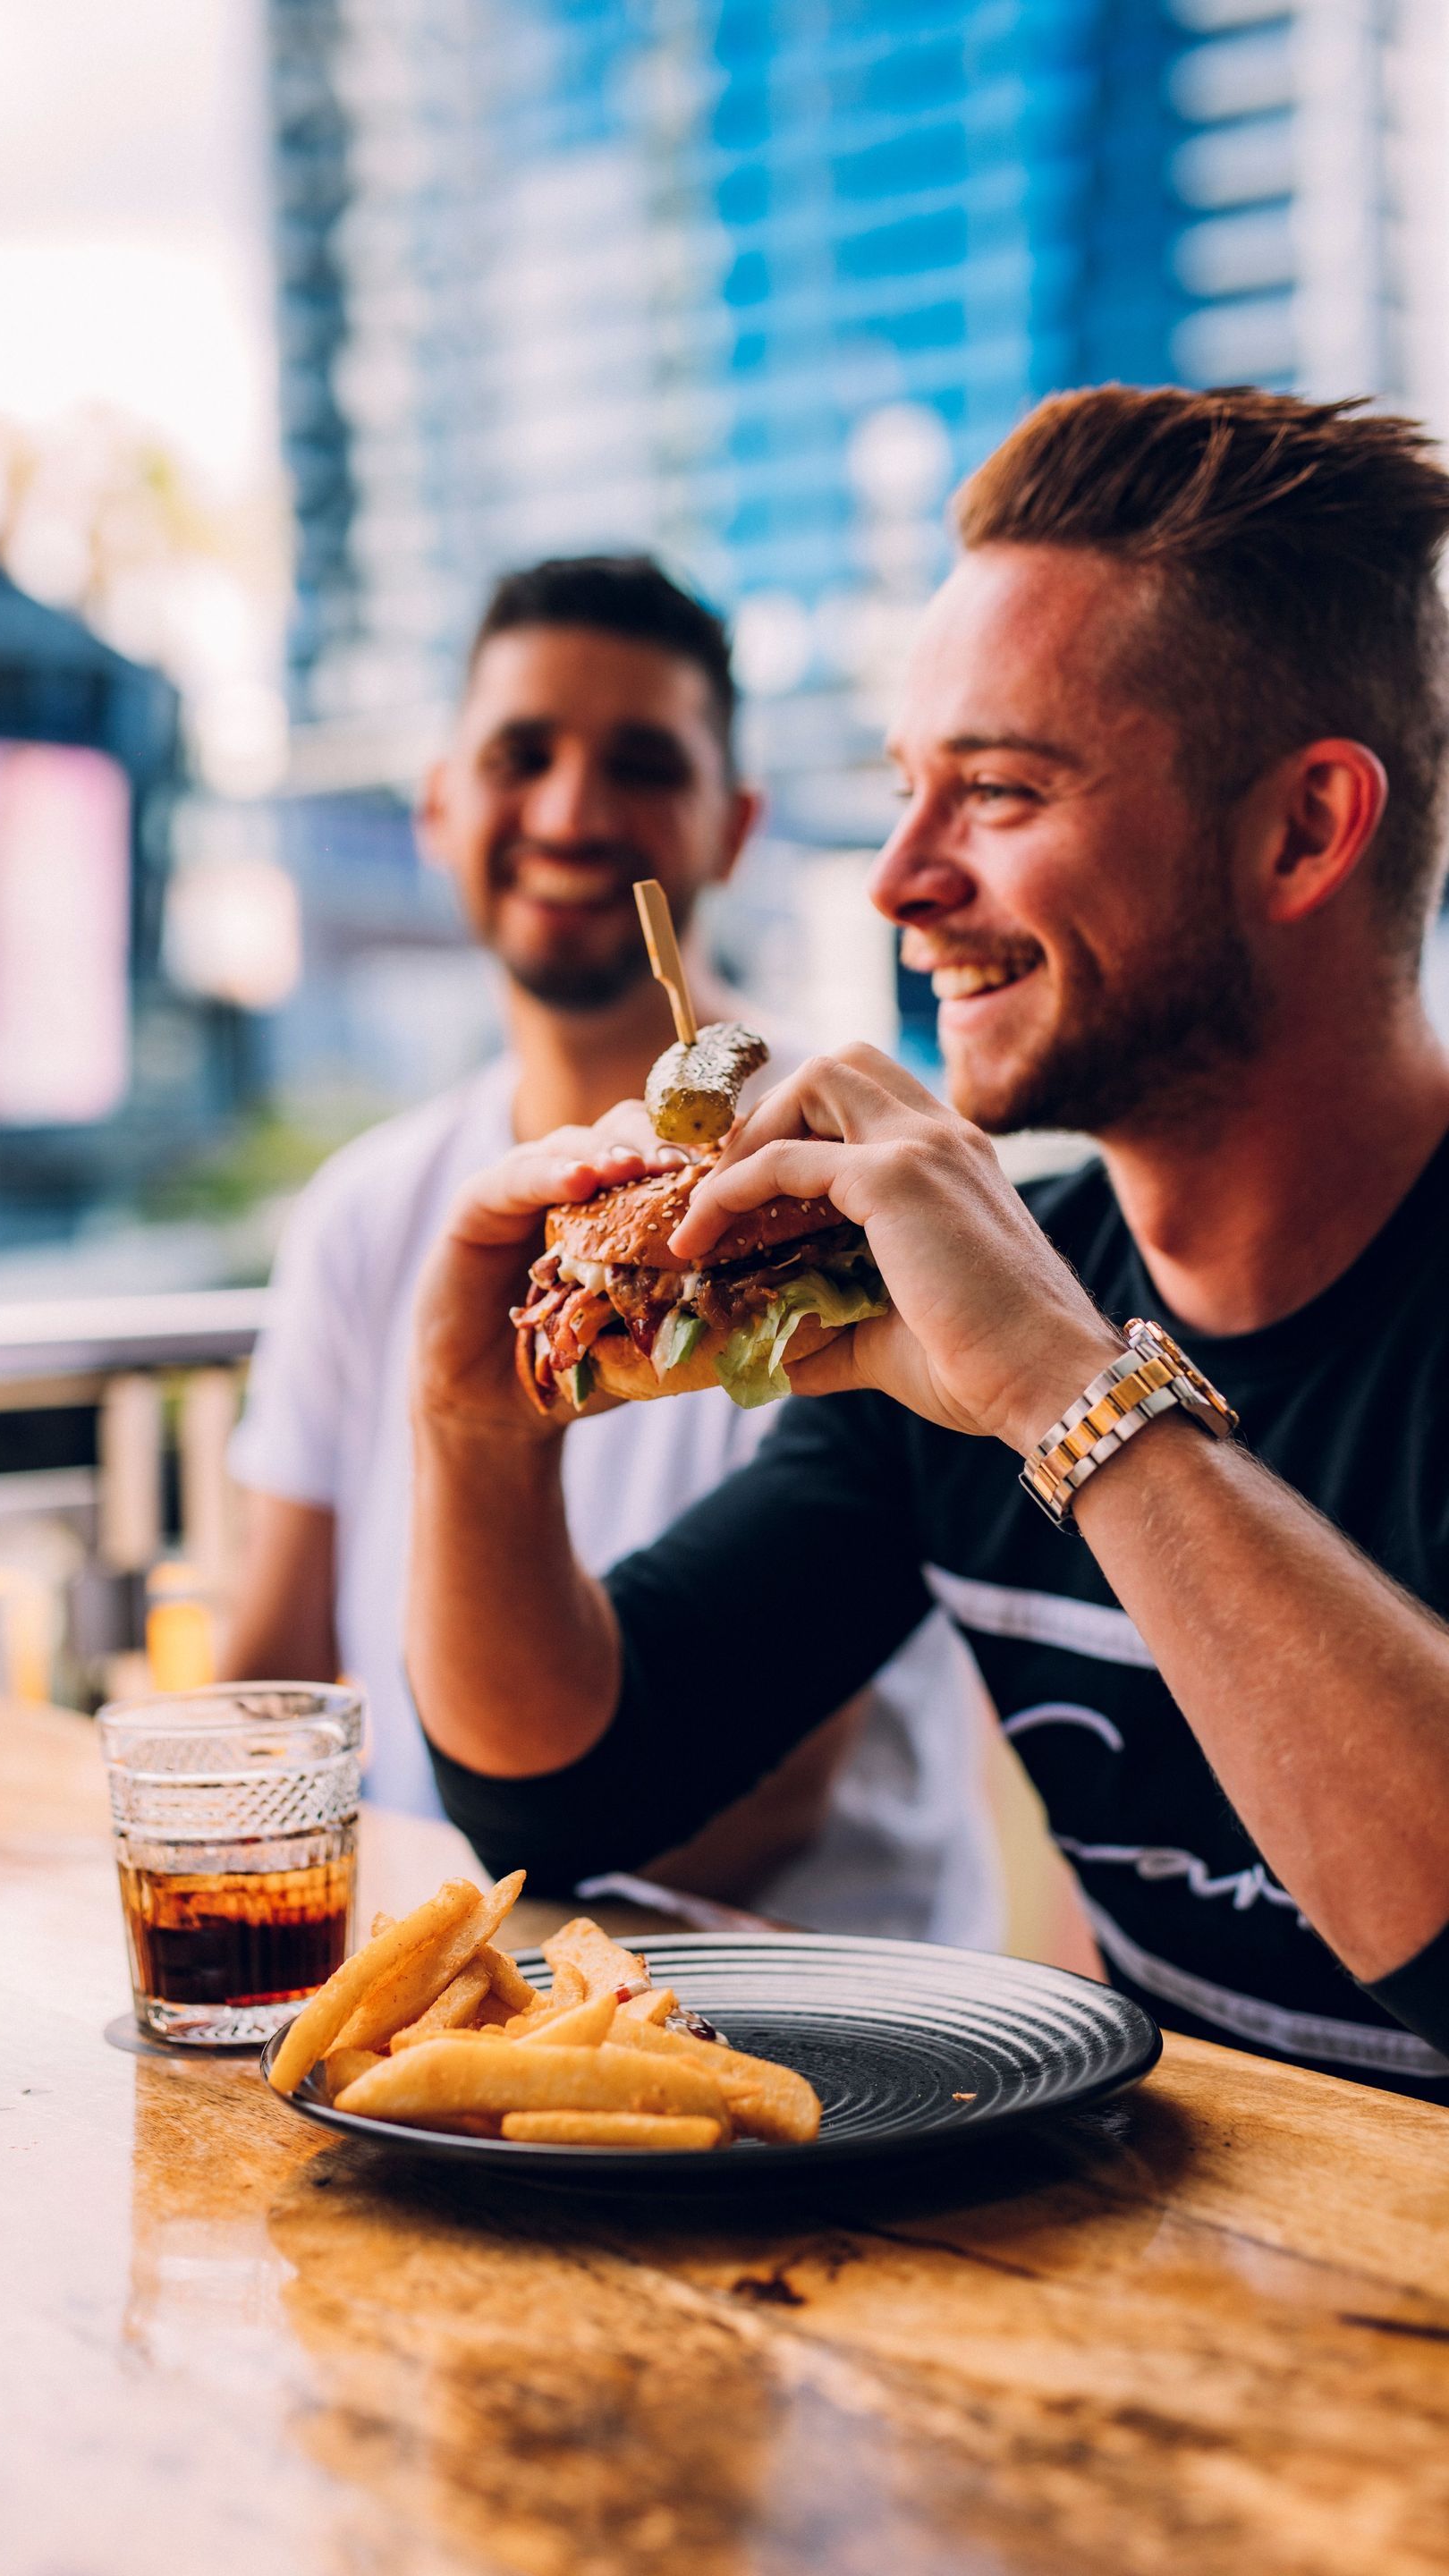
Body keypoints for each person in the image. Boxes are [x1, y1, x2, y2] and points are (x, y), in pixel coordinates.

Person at [404, 388, 1449, 2098]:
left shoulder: (1026, 1339)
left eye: (1001, 792)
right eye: (905, 792)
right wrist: (470, 1428)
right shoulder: (980, 1304)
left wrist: (1070, 1392)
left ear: (1303, 832)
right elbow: (568, 1786)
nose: (898, 879)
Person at [225, 555, 998, 1942]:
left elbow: (754, 1802)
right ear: (439, 803)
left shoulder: (851, 1188)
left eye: (641, 763)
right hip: (448, 1988)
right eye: (523, 755)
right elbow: (275, 1674)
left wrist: (450, 1971)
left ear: (733, 825)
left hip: (820, 2021)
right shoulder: (365, 1212)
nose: (574, 813)